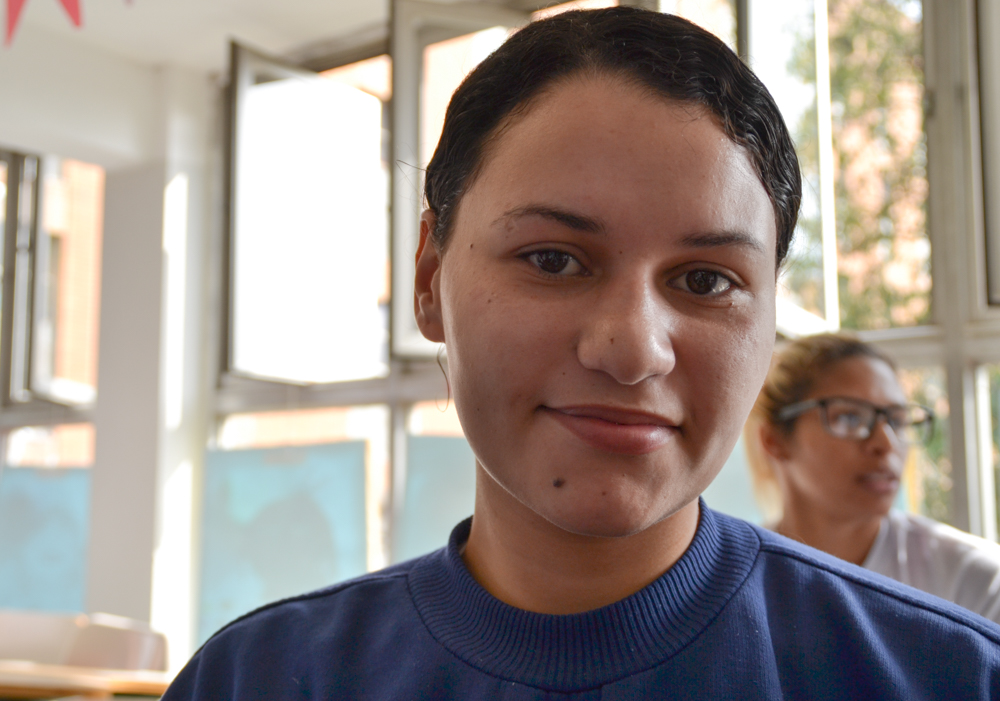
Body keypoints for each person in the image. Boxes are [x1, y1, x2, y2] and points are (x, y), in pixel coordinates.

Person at [163, 7, 1000, 699]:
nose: (632, 349)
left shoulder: (948, 677)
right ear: (428, 280)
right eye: (554, 260)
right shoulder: (256, 679)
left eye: (705, 280)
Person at [744, 331, 1000, 623]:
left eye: (897, 421)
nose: (886, 442)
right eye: (850, 417)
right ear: (774, 439)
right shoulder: (731, 578)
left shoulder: (974, 582)